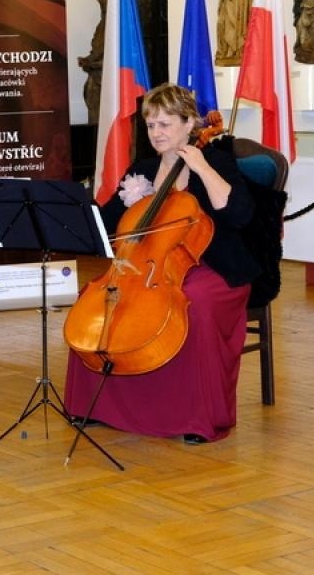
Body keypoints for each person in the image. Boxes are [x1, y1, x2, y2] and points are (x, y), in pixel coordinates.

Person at [64, 83, 257, 443]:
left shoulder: (216, 161)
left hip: (211, 264)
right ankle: (96, 405)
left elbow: (240, 214)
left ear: (190, 124)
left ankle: (194, 418)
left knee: (194, 307)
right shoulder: (143, 169)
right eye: (151, 125)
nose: (156, 133)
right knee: (97, 301)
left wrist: (201, 168)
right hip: (148, 268)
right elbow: (107, 221)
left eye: (165, 124)